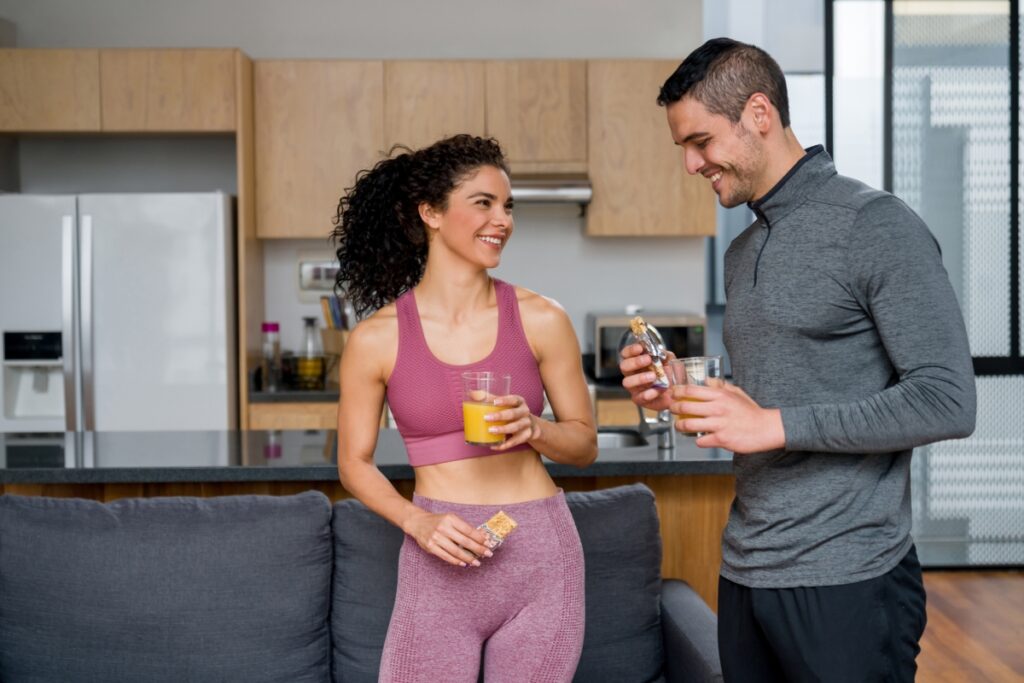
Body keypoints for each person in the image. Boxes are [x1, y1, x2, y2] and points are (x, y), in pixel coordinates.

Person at [620, 38, 976, 682]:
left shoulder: (877, 225)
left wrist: (776, 425)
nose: (691, 165)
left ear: (759, 112)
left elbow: (947, 397)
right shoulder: (743, 248)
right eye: (683, 148)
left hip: (850, 575)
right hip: (747, 568)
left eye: (701, 142)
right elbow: (774, 393)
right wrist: (680, 391)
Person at [332, 134, 597, 682]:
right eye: (483, 203)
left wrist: (536, 429)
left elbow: (584, 444)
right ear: (430, 213)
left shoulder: (543, 319)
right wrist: (416, 522)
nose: (502, 220)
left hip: (541, 557)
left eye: (508, 206)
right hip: (438, 556)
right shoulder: (376, 339)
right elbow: (353, 463)